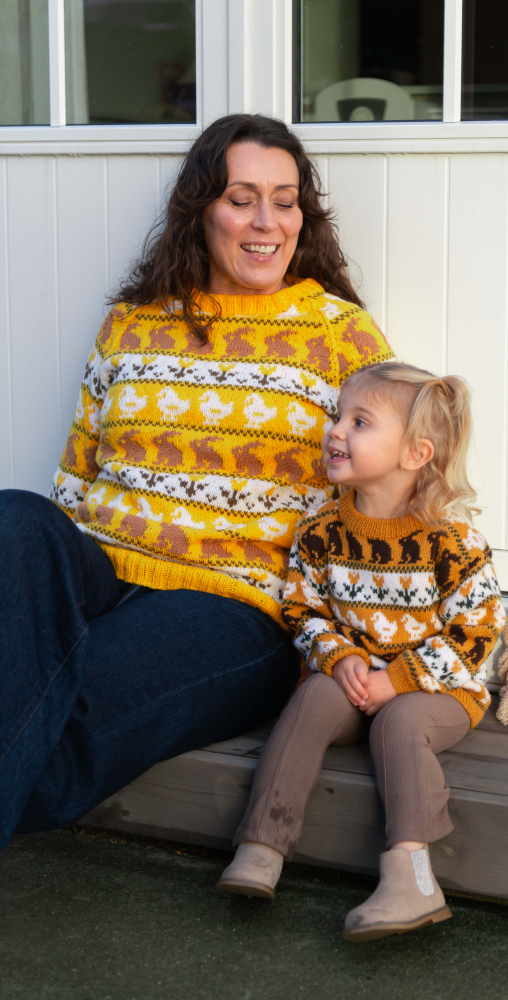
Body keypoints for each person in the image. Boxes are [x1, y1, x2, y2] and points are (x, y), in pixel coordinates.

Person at [0, 113, 392, 851]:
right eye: (241, 199)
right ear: (200, 210)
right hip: (101, 569)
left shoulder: (341, 336)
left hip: (235, 602)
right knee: (15, 518)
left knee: (64, 720)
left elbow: (383, 491)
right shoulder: (131, 323)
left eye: (284, 201)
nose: (266, 221)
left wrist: (358, 637)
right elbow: (78, 469)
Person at [217, 361, 505, 942]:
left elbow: (477, 631)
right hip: (356, 681)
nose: (336, 430)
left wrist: (396, 681)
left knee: (399, 723)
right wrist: (338, 656)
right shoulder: (321, 528)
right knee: (313, 697)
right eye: (338, 416)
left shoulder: (451, 539)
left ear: (415, 454)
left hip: (438, 692)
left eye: (360, 422)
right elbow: (302, 608)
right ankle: (262, 844)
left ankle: (411, 877)